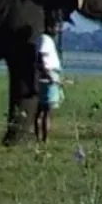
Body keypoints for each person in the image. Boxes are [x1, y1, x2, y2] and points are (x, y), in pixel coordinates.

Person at [34, 10, 64, 143]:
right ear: (51, 27)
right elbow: (42, 58)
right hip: (49, 75)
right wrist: (49, 76)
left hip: (48, 74)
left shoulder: (43, 39)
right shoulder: (46, 40)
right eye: (57, 26)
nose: (58, 30)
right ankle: (44, 140)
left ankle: (40, 138)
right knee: (47, 110)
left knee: (41, 110)